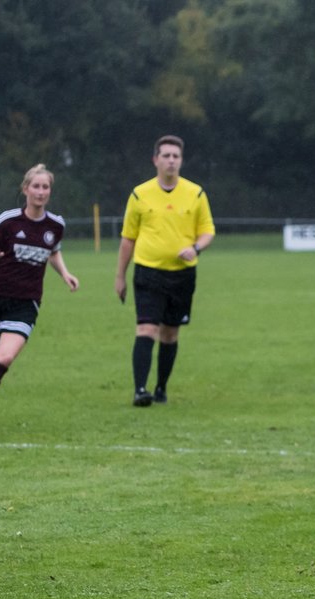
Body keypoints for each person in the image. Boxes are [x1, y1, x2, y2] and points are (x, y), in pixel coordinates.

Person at [114, 134, 215, 406]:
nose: (171, 161)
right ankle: (139, 390)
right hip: (148, 272)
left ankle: (161, 388)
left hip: (182, 275)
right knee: (146, 329)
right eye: (166, 156)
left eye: (176, 156)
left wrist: (195, 248)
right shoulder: (139, 194)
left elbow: (207, 231)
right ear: (155, 160)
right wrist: (120, 276)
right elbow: (128, 238)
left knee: (170, 333)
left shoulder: (195, 193)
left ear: (181, 161)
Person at [0, 164, 79, 398]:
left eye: (46, 187)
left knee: (5, 357)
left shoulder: (56, 225)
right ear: (26, 189)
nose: (41, 191)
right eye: (36, 186)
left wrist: (65, 274)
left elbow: (53, 251)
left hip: (25, 302)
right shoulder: (7, 221)